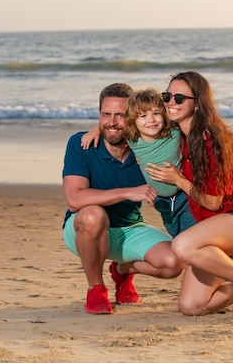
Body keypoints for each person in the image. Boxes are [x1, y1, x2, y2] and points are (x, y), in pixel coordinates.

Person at [144, 71, 233, 318]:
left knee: (183, 245)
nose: (170, 103)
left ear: (197, 103)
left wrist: (178, 181)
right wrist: (97, 130)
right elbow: (134, 117)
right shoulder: (178, 135)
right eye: (167, 96)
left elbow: (214, 202)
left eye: (179, 98)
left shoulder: (210, 140)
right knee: (191, 306)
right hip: (211, 233)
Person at [62, 82, 184, 315]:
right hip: (83, 228)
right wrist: (129, 192)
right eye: (105, 114)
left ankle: (123, 270)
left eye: (120, 115)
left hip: (130, 228)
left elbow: (172, 121)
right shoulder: (82, 144)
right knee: (93, 214)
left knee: (173, 264)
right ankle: (96, 288)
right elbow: (74, 199)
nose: (112, 121)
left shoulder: (146, 148)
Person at [81, 88, 196, 237]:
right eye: (143, 115)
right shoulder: (133, 139)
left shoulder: (173, 132)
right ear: (133, 120)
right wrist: (95, 130)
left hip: (184, 196)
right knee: (176, 233)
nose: (151, 120)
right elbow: (113, 126)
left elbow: (190, 120)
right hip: (162, 202)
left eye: (156, 113)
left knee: (189, 236)